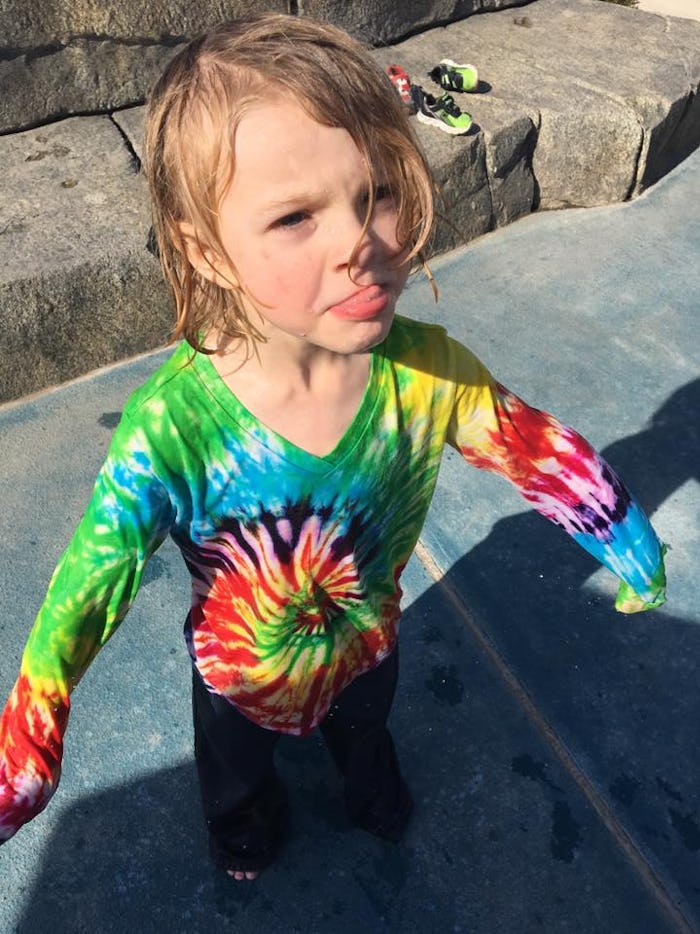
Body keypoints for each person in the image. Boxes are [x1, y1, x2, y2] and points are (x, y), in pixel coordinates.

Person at [0, 14, 666, 882]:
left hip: (367, 644)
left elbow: (534, 448)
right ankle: (243, 827)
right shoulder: (173, 434)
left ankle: (369, 784)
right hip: (238, 678)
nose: (363, 242)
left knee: (367, 730)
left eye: (378, 192)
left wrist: (624, 539)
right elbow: (88, 586)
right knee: (234, 774)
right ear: (205, 250)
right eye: (295, 217)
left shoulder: (428, 376)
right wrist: (31, 734)